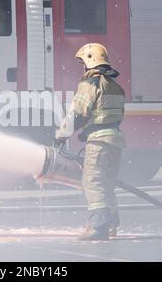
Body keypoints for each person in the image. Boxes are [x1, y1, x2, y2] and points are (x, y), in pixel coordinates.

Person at [55, 43, 125, 241]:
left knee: (92, 182)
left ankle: (98, 226)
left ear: (89, 60)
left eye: (83, 62)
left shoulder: (91, 84)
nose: (82, 67)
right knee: (106, 184)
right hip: (116, 141)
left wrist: (61, 135)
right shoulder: (115, 86)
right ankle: (111, 223)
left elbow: (77, 113)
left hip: (99, 141)